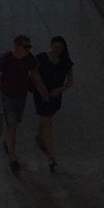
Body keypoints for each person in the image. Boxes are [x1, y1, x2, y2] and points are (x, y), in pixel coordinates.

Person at [0, 35, 48, 174]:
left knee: (15, 123)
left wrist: (44, 92)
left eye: (29, 47)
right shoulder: (5, 59)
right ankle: (12, 156)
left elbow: (35, 76)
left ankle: (7, 142)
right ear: (17, 46)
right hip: (7, 96)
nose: (27, 49)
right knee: (12, 125)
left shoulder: (29, 59)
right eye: (25, 47)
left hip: (21, 96)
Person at [32, 35, 73, 171]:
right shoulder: (42, 58)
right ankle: (51, 156)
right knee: (47, 121)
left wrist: (60, 89)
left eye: (60, 48)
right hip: (42, 95)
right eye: (55, 47)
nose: (57, 50)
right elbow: (34, 73)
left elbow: (70, 81)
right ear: (51, 46)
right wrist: (42, 89)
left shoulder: (65, 62)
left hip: (55, 96)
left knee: (46, 118)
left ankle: (39, 135)